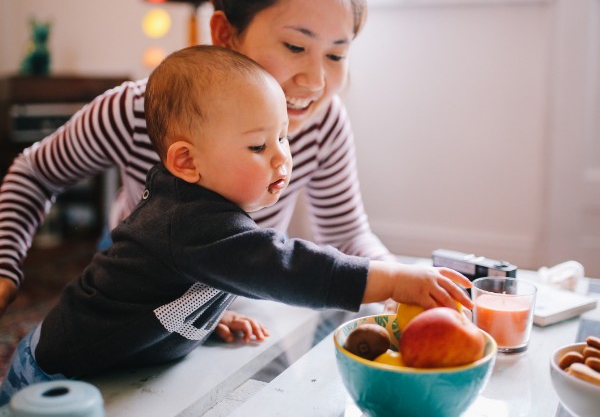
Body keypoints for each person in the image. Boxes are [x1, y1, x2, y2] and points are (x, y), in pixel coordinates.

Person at [0, 45, 473, 403]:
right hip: (58, 376)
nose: (280, 160)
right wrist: (393, 278)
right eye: (256, 147)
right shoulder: (189, 222)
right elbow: (287, 267)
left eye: (282, 138)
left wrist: (202, 316)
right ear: (186, 161)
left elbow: (162, 281)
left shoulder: (202, 208)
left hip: (123, 360)